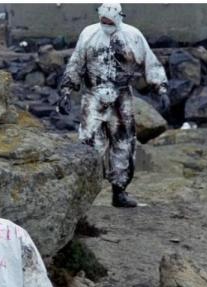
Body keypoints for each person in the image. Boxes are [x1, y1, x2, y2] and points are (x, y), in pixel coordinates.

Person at [58, 2, 168, 208]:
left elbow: (150, 62)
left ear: (119, 17)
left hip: (122, 97)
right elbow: (76, 62)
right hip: (93, 96)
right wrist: (65, 91)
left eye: (110, 20)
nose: (106, 23)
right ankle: (84, 196)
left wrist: (161, 87)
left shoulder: (134, 35)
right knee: (90, 145)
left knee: (124, 145)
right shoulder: (88, 33)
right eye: (103, 20)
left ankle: (119, 192)